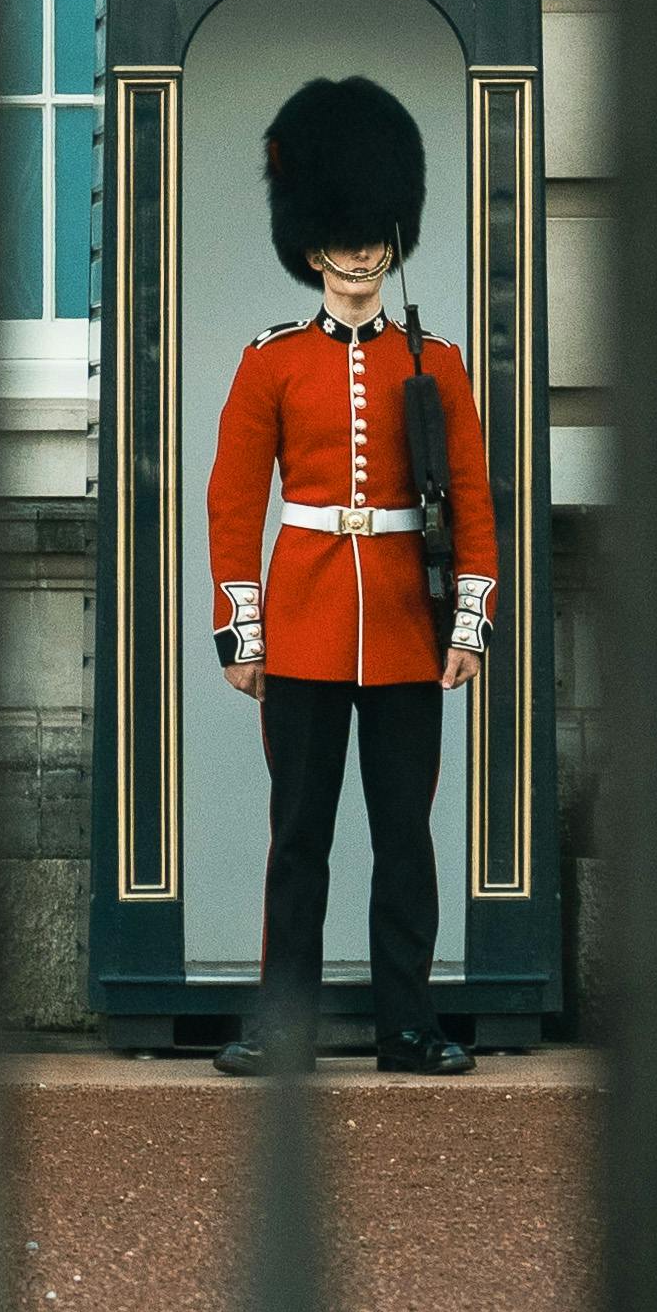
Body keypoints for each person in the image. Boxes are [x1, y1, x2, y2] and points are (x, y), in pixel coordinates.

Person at [205, 74, 498, 1077]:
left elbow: (470, 501)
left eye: (373, 232)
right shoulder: (270, 364)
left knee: (403, 841)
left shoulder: (439, 363)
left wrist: (468, 623)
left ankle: (404, 1025)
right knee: (299, 839)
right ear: (311, 244)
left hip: (408, 630)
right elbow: (234, 505)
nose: (360, 252)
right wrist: (241, 631)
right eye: (341, 233)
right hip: (305, 621)